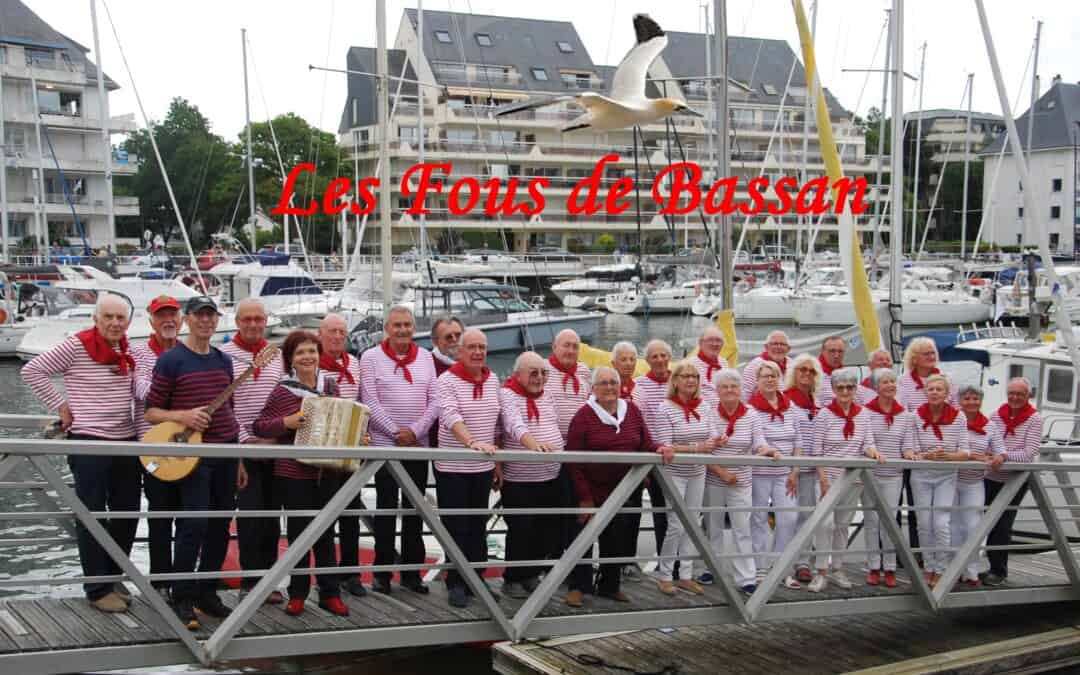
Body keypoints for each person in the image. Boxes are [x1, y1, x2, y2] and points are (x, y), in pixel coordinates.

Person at [23, 294, 141, 614]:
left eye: (120, 318)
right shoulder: (77, 345)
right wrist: (61, 406)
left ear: (127, 322)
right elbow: (33, 371)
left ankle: (113, 575)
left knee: (127, 512)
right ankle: (97, 589)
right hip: (89, 441)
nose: (115, 323)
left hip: (126, 440)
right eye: (109, 317)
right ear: (96, 318)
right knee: (91, 515)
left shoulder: (125, 348)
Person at [145, 296, 242, 630]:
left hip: (226, 452)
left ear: (217, 321)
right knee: (194, 524)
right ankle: (181, 595)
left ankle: (207, 590)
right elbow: (151, 411)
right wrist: (183, 415)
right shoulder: (172, 361)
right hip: (193, 458)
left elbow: (231, 410)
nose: (206, 321)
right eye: (199, 316)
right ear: (187, 320)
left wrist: (239, 456)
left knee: (220, 524)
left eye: (211, 316)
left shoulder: (223, 361)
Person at [252, 330, 350, 617]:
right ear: (291, 360)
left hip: (327, 471)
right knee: (298, 535)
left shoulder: (330, 386)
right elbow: (260, 426)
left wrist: (359, 436)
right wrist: (287, 422)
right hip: (293, 473)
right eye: (300, 353)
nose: (307, 357)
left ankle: (330, 593)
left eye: (312, 351)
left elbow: (344, 420)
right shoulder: (284, 391)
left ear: (320, 355)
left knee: (325, 534)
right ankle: (298, 594)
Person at [565, 367, 672, 607]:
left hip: (624, 488)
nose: (609, 387)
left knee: (616, 539)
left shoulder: (631, 411)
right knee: (582, 540)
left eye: (613, 382)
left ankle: (609, 586)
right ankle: (578, 587)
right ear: (593, 389)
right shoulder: (583, 416)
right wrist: (584, 497)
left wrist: (658, 449)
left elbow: (645, 442)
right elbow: (572, 459)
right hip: (590, 490)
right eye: (603, 383)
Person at [360, 305, 439, 596]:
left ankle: (411, 573)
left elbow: (435, 401)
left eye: (407, 325)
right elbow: (369, 400)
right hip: (384, 447)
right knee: (385, 508)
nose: (403, 330)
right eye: (397, 325)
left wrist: (415, 431)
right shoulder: (370, 358)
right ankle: (382, 573)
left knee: (415, 510)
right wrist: (395, 432)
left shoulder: (427, 358)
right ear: (387, 328)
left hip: (417, 447)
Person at [219, 298, 285, 603]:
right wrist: (243, 444)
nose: (253, 324)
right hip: (241, 447)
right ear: (237, 321)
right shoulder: (223, 355)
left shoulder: (277, 355)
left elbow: (285, 399)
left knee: (272, 517)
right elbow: (224, 407)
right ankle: (250, 581)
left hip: (274, 446)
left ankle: (268, 580)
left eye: (259, 319)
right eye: (247, 319)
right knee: (249, 517)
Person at [435, 328, 500, 608]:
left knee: (477, 526)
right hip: (453, 466)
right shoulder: (446, 380)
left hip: (482, 467)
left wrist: (496, 461)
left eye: (482, 347)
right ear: (460, 352)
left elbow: (497, 422)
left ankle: (476, 577)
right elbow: (451, 416)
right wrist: (471, 442)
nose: (477, 352)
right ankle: (456, 582)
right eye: (471, 347)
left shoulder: (493, 379)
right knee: (456, 526)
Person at [652, 359, 725, 596]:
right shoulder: (664, 408)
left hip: (697, 471)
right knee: (675, 523)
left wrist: (716, 441)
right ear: (675, 381)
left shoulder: (704, 406)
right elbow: (665, 445)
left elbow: (712, 433)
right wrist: (697, 447)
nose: (691, 380)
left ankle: (685, 574)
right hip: (674, 472)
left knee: (692, 522)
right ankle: (664, 575)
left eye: (694, 376)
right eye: (686, 376)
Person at [807, 368, 882, 593]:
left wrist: (874, 453)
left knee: (842, 525)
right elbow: (816, 451)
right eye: (840, 387)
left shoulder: (863, 414)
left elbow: (867, 442)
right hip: (828, 475)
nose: (845, 391)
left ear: (855, 389)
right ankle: (820, 570)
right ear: (833, 389)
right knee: (825, 524)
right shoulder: (824, 415)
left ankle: (837, 567)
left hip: (852, 477)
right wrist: (821, 479)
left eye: (850, 387)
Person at [498, 351, 564, 599]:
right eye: (533, 373)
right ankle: (512, 578)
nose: (539, 378)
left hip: (550, 474)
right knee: (520, 528)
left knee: (546, 528)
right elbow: (514, 426)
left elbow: (555, 424)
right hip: (520, 477)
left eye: (543, 373)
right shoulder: (508, 393)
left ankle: (531, 574)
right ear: (519, 374)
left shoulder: (547, 396)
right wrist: (534, 445)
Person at [130, 295, 181, 602]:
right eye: (161, 316)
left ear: (181, 319)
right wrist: (182, 387)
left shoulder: (189, 352)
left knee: (189, 516)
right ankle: (161, 579)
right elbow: (145, 392)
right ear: (151, 321)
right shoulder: (138, 354)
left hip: (186, 446)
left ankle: (186, 578)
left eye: (172, 315)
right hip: (152, 449)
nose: (168, 321)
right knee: (160, 514)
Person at [709, 368, 775, 593]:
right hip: (715, 477)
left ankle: (746, 577)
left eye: (734, 386)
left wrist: (768, 450)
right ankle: (712, 568)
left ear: (740, 390)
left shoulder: (751, 414)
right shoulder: (709, 412)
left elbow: (759, 442)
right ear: (717, 390)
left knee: (742, 528)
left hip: (742, 479)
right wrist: (722, 473)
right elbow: (706, 449)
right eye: (725, 386)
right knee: (713, 526)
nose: (730, 390)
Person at [316, 313, 368, 597]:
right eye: (332, 331)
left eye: (341, 332)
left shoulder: (355, 365)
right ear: (320, 334)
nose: (337, 336)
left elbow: (361, 404)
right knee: (325, 517)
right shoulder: (315, 366)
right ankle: (328, 575)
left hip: (351, 451)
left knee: (351, 513)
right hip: (324, 452)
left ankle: (351, 572)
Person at [906, 374, 968, 589]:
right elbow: (910, 451)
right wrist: (926, 456)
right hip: (921, 476)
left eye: (938, 389)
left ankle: (941, 569)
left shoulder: (958, 417)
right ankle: (928, 567)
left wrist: (948, 457)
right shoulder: (915, 416)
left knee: (940, 523)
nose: (934, 392)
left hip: (946, 475)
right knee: (924, 524)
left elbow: (965, 451)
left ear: (946, 394)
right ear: (925, 392)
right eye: (930, 389)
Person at [982, 377, 1042, 586]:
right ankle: (986, 567)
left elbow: (1028, 454)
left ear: (1028, 396)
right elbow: (986, 444)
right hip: (991, 476)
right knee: (982, 523)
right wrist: (992, 455)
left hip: (1015, 479)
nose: (1015, 398)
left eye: (1020, 394)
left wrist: (1003, 456)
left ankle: (998, 571)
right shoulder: (995, 416)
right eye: (1012, 393)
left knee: (1002, 524)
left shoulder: (1035, 419)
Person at [747, 360, 802, 589]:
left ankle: (780, 568)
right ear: (757, 381)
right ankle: (759, 569)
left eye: (774, 375)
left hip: (785, 473)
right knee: (758, 519)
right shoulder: (750, 409)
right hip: (759, 472)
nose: (770, 379)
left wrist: (795, 470)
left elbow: (798, 441)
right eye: (765, 376)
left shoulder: (791, 407)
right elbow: (751, 442)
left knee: (788, 519)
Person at [862, 368, 915, 588]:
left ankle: (890, 567)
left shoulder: (905, 415)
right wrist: (872, 451)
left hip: (893, 475)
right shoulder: (865, 412)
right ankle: (874, 566)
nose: (890, 385)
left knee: (890, 521)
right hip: (871, 474)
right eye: (885, 382)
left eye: (893, 381)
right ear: (876, 387)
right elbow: (865, 441)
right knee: (872, 521)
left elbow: (908, 444)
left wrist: (909, 453)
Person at [628, 339, 672, 575]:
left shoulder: (679, 381)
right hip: (648, 456)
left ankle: (672, 563)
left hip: (674, 458)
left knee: (674, 513)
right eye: (654, 356)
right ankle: (634, 561)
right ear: (647, 361)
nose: (660, 360)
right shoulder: (639, 385)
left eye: (663, 355)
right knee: (654, 509)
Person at [784, 353, 823, 583]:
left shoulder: (817, 403)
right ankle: (783, 562)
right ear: (794, 373)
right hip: (789, 469)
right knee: (788, 517)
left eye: (811, 371)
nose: (807, 374)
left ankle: (803, 562)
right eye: (802, 370)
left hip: (811, 469)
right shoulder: (785, 400)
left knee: (807, 516)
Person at [955, 384, 996, 587]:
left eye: (975, 398)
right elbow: (947, 448)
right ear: (959, 401)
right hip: (951, 480)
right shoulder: (953, 421)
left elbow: (999, 449)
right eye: (967, 398)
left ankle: (971, 571)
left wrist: (998, 457)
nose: (971, 402)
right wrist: (972, 455)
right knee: (952, 527)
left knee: (973, 527)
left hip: (974, 482)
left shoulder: (989, 425)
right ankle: (951, 570)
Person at [546, 329, 592, 439]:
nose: (571, 351)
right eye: (566, 345)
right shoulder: (542, 369)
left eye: (575, 347)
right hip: (551, 441)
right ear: (554, 347)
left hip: (580, 441)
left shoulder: (584, 371)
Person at [428, 315, 464, 449]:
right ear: (435, 341)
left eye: (458, 335)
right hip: (436, 444)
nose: (454, 340)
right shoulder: (427, 364)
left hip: (471, 443)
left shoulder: (473, 364)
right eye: (448, 337)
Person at [898, 337, 956, 409]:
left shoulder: (947, 379)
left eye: (933, 353)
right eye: (926, 354)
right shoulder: (902, 381)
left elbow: (956, 408)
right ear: (914, 359)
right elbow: (902, 412)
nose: (932, 357)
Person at [741, 330, 792, 401]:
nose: (778, 347)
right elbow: (745, 396)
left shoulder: (792, 364)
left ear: (788, 349)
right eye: (774, 344)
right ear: (766, 347)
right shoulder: (754, 365)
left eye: (782, 344)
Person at [693, 326, 729, 408]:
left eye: (718, 340)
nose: (715, 344)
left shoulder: (724, 363)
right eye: (710, 340)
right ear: (700, 343)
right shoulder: (691, 365)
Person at [816, 336, 846, 405]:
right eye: (832, 351)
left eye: (840, 351)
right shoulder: (812, 374)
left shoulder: (847, 376)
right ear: (822, 351)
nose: (836, 355)